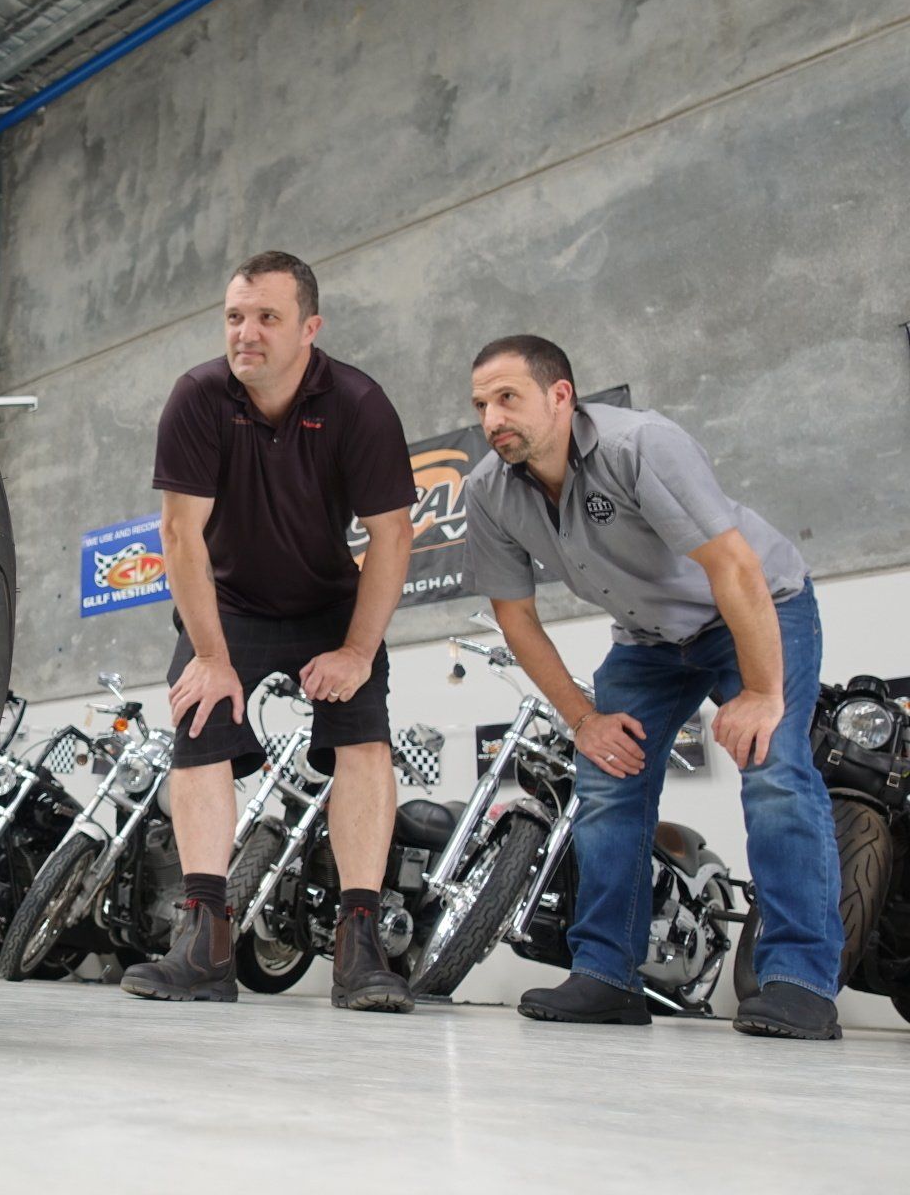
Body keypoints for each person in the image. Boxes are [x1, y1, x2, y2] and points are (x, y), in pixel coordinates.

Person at [463, 334, 842, 1039]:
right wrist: (583, 720)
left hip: (754, 608)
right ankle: (606, 975)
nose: (491, 419)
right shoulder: (488, 490)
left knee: (776, 772)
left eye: (507, 398)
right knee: (608, 780)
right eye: (481, 405)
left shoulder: (638, 446)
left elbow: (733, 567)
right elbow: (515, 618)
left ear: (560, 396)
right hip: (648, 641)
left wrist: (763, 694)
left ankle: (800, 982)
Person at [124, 251, 416, 1009]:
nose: (245, 333)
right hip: (228, 602)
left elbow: (392, 535)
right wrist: (211, 657)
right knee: (199, 726)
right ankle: (204, 940)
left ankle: (360, 944)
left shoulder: (358, 403)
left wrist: (357, 651)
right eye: (234, 316)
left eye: (266, 318)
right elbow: (180, 535)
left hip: (329, 604)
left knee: (364, 741)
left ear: (309, 328)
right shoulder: (198, 397)